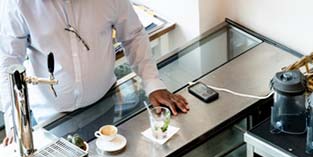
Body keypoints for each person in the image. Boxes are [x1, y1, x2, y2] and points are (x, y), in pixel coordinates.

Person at [0, 0, 189, 145]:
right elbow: (7, 62)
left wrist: (152, 83)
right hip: (49, 119)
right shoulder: (17, 4)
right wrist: (14, 122)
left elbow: (133, 35)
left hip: (105, 105)